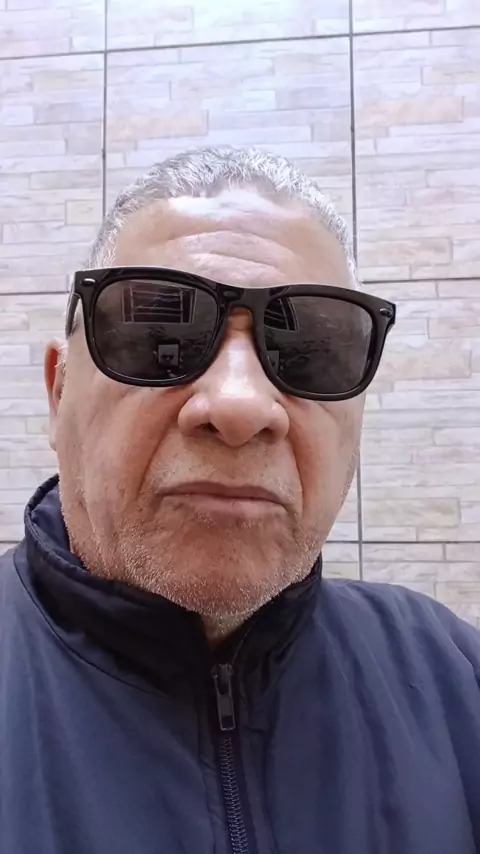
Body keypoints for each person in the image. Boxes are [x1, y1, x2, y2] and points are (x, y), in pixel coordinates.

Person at [1, 146, 479, 854]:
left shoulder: (454, 683)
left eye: (310, 350)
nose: (239, 405)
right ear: (59, 392)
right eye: (158, 338)